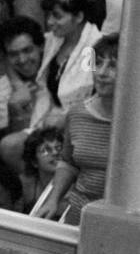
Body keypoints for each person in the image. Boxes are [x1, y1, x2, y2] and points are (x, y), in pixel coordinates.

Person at [36, 34, 118, 225]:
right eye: (98, 63)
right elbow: (68, 162)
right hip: (80, 217)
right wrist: (53, 199)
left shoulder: (134, 123)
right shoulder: (77, 113)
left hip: (123, 225)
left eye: (112, 66)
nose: (101, 73)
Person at [0, 16, 53, 170]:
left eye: (27, 50)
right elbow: (13, 150)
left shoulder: (55, 68)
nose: (22, 59)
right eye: (13, 54)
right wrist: (16, 111)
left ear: (41, 46)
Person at [36, 0, 103, 119]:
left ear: (78, 17)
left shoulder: (95, 46)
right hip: (52, 117)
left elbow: (88, 91)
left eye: (57, 16)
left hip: (84, 122)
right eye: (48, 15)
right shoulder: (52, 40)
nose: (49, 22)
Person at [21, 128, 64, 213]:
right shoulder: (25, 186)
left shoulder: (78, 187)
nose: (55, 153)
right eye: (46, 150)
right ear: (34, 162)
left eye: (59, 148)